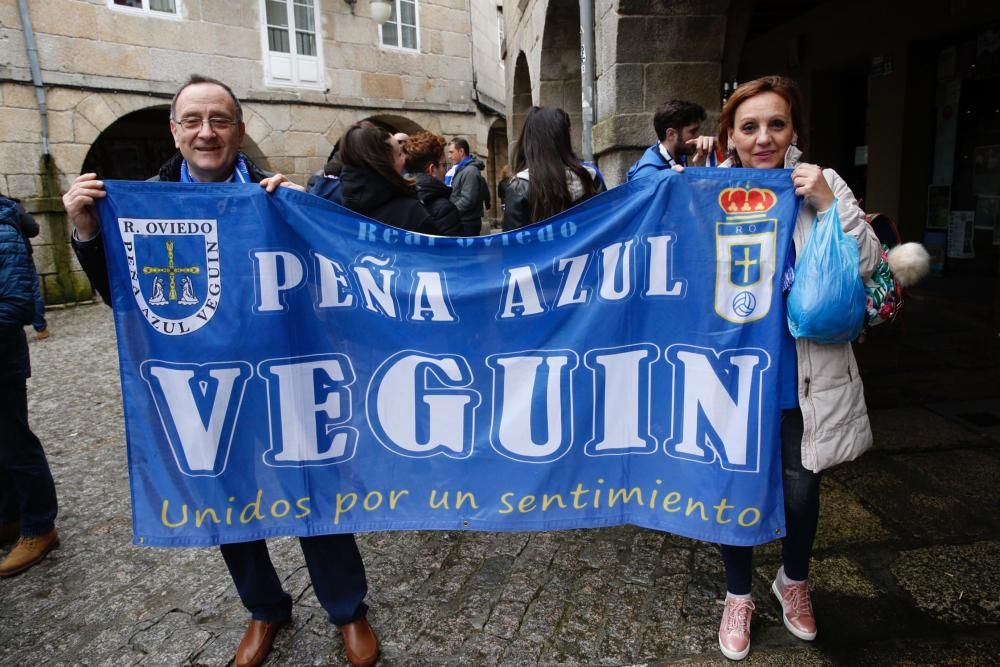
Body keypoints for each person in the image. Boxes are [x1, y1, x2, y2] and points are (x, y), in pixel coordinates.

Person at [61, 74, 379, 667]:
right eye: (193, 121)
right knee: (225, 496)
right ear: (175, 131)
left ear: (239, 128)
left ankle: (347, 609)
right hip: (200, 382)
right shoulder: (139, 203)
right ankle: (264, 609)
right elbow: (123, 299)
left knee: (314, 488)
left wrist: (303, 217)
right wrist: (84, 231)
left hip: (283, 376)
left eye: (220, 120)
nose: (207, 132)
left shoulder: (273, 191)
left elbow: (329, 288)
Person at [710, 76, 881, 661]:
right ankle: (737, 595)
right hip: (731, 376)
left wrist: (830, 208)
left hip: (803, 374)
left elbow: (869, 265)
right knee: (732, 486)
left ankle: (794, 581)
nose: (763, 138)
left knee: (801, 489)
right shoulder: (707, 193)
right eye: (749, 126)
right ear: (729, 135)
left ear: (794, 131)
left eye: (776, 125)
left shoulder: (825, 185)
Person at [0, 196, 59, 578]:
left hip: (1, 362)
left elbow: (18, 302)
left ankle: (39, 527)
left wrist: (39, 321)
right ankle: (9, 517)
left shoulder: (4, 231)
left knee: (15, 445)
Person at [501, 106, 607, 231]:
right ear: (564, 139)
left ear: (529, 141)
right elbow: (606, 225)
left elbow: (512, 243)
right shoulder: (589, 178)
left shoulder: (519, 187)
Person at [339, 121, 439, 234]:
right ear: (384, 164)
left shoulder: (331, 211)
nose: (404, 159)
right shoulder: (411, 215)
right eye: (399, 154)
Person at [627, 99, 718, 181]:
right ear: (671, 134)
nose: (699, 136)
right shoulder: (647, 173)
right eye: (693, 131)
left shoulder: (678, 156)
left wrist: (719, 144)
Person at [1, 196, 48, 339]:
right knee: (30, 289)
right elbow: (33, 229)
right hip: (18, 255)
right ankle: (40, 328)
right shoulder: (11, 206)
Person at [404, 131, 463, 236]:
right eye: (444, 165)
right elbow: (452, 250)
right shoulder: (445, 210)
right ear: (432, 169)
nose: (445, 170)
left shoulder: (396, 199)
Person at [444, 137, 487, 236]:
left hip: (467, 224)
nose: (449, 156)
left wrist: (449, 213)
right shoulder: (459, 169)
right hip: (460, 221)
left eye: (451, 152)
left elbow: (468, 200)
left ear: (461, 151)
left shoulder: (470, 171)